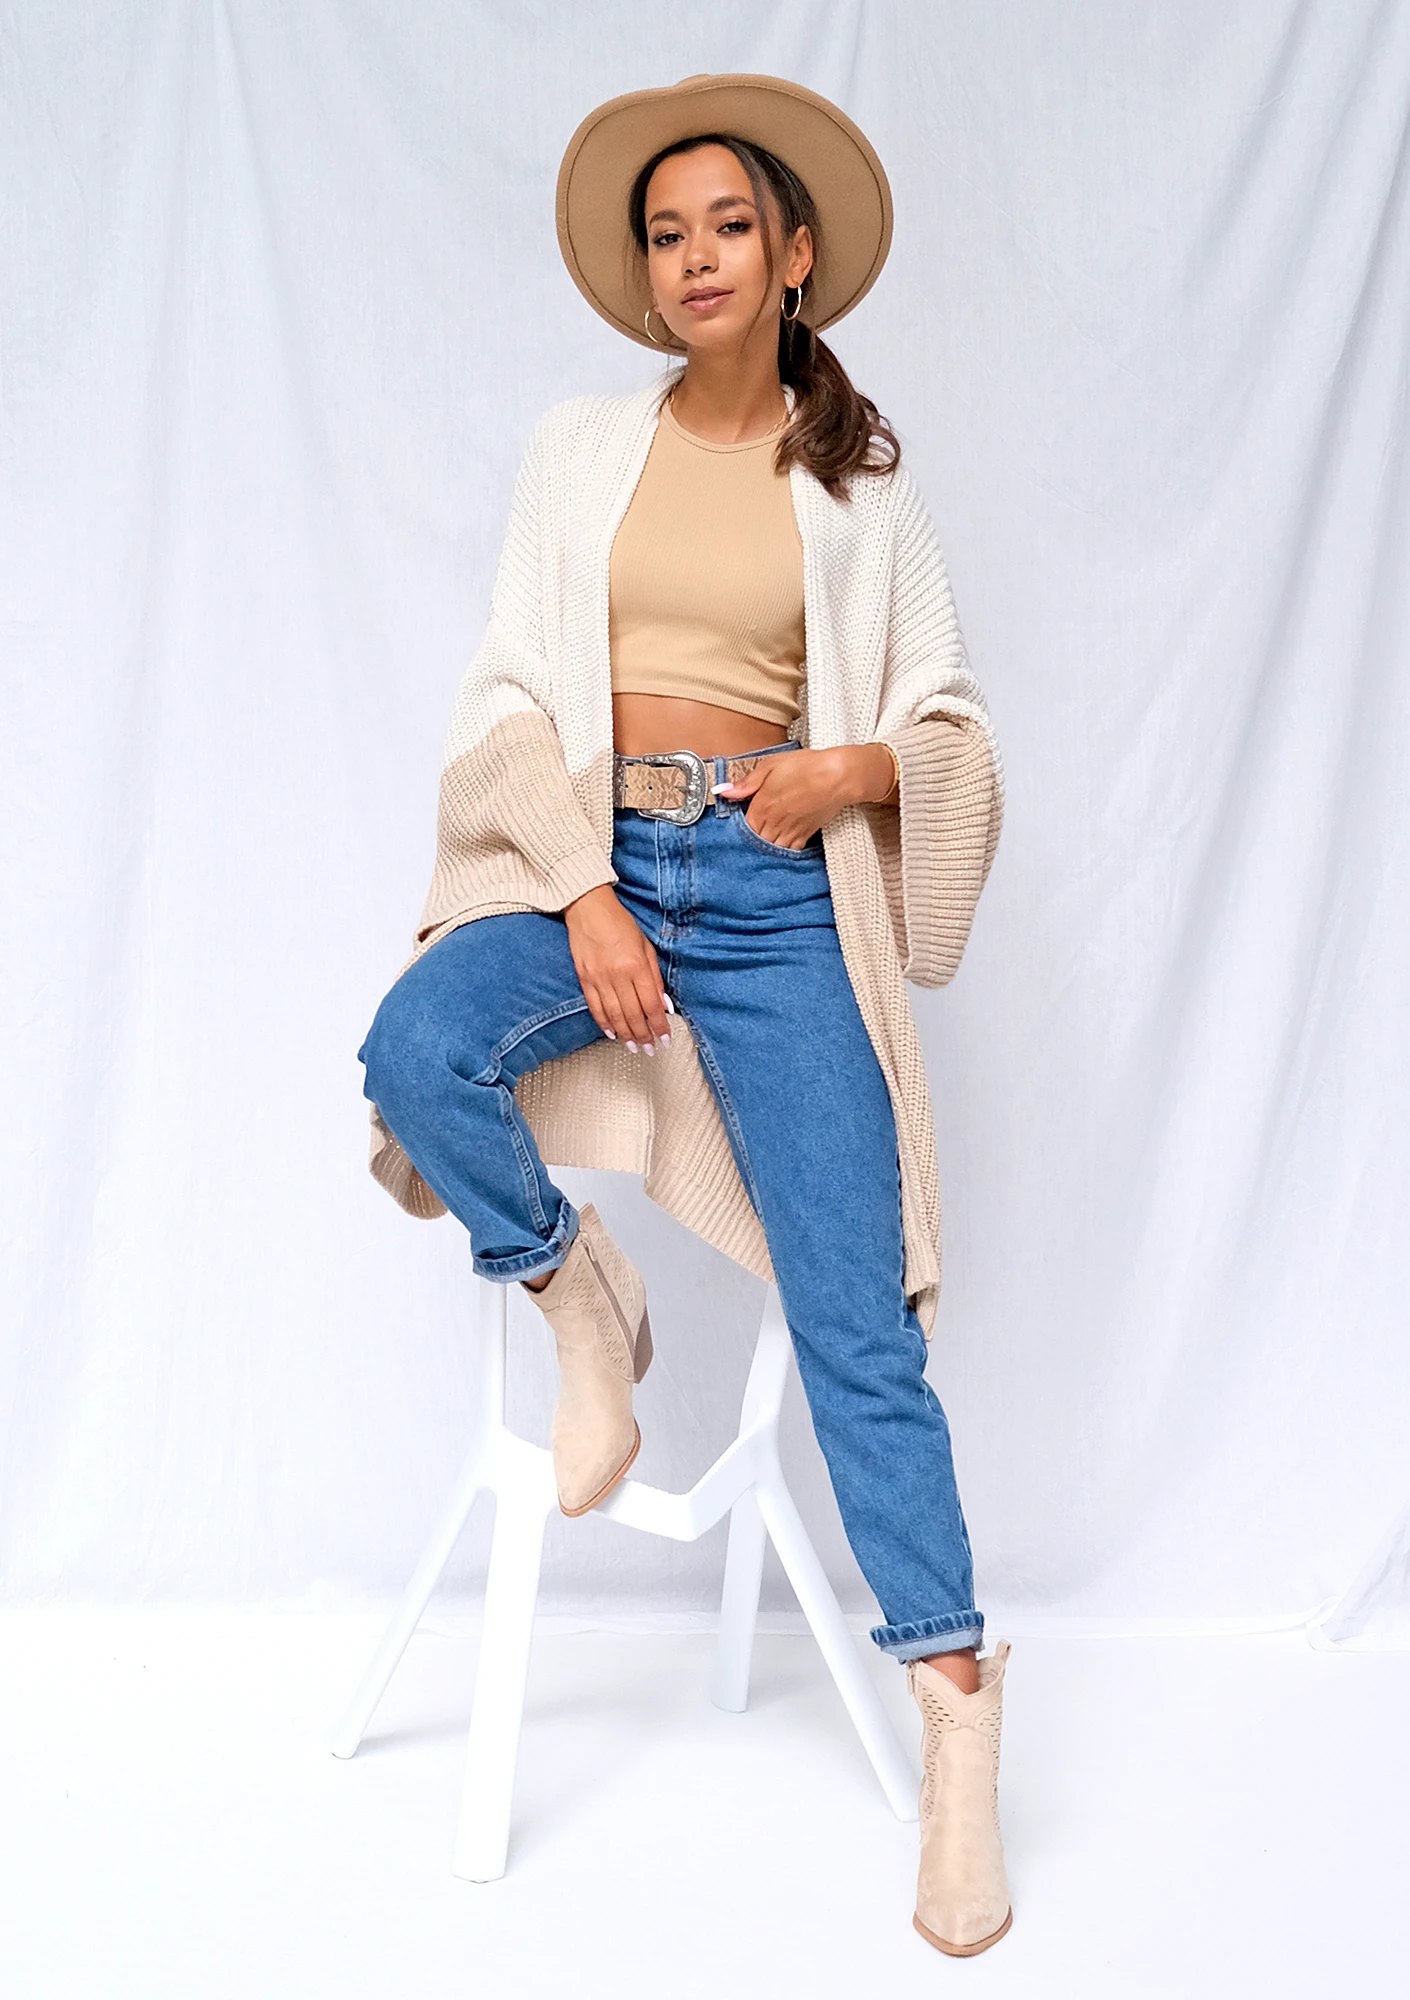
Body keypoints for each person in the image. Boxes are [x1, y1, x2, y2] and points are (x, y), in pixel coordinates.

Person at [357, 73, 1011, 1956]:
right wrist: (579, 889)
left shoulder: (861, 490)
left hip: (781, 892)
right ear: (645, 277)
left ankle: (955, 1713)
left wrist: (849, 769)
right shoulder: (578, 452)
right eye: (667, 234)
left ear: (794, 257)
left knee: (860, 1312)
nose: (697, 257)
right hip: (599, 861)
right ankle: (581, 1296)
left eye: (730, 225)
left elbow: (952, 726)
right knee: (414, 1050)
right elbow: (506, 692)